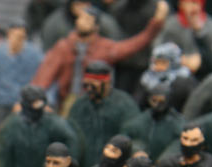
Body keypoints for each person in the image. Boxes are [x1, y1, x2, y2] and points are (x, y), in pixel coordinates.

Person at [32, 2, 169, 107]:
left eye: (88, 20)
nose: (83, 22)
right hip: (68, 100)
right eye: (81, 19)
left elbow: (133, 45)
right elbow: (45, 73)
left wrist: (155, 25)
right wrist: (32, 97)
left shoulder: (104, 47)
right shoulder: (64, 47)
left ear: (96, 26)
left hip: (96, 102)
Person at [66, 61, 141, 167]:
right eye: (86, 85)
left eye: (93, 86)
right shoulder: (79, 106)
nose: (88, 89)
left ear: (106, 83)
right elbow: (71, 136)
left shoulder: (125, 105)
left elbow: (134, 136)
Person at [154, 0, 212, 77]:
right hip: (174, 74)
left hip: (207, 73)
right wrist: (181, 60)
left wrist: (200, 32)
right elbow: (156, 52)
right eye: (189, 2)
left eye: (196, 3)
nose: (193, 7)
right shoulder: (170, 25)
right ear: (181, 4)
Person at [120, 82, 184, 160]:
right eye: (154, 100)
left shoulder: (178, 123)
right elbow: (125, 137)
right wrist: (136, 150)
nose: (157, 105)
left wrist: (164, 159)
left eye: (161, 102)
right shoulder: (138, 121)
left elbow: (180, 142)